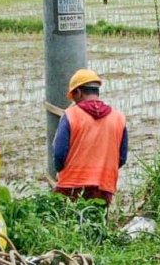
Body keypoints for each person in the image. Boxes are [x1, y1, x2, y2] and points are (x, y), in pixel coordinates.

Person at [52, 69, 128, 206]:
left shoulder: (70, 115)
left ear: (79, 92)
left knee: (68, 225)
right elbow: (121, 158)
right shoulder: (118, 118)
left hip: (70, 187)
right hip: (103, 186)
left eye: (74, 96)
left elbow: (59, 154)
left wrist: (60, 170)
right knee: (96, 223)